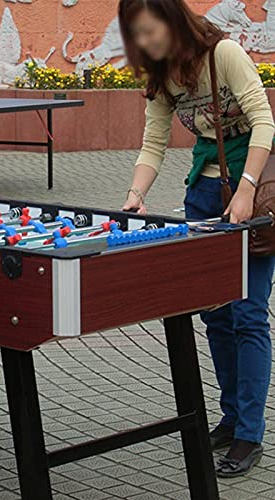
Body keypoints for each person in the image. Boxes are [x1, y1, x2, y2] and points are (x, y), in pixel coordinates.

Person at [118, 0, 275, 477]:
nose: (144, 43)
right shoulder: (163, 77)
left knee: (248, 314)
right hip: (204, 195)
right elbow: (154, 143)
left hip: (254, 189)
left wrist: (246, 190)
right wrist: (134, 195)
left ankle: (249, 434)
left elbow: (264, 120)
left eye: (149, 32)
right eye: (136, 36)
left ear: (171, 19)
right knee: (215, 316)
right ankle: (230, 418)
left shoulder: (223, 53)